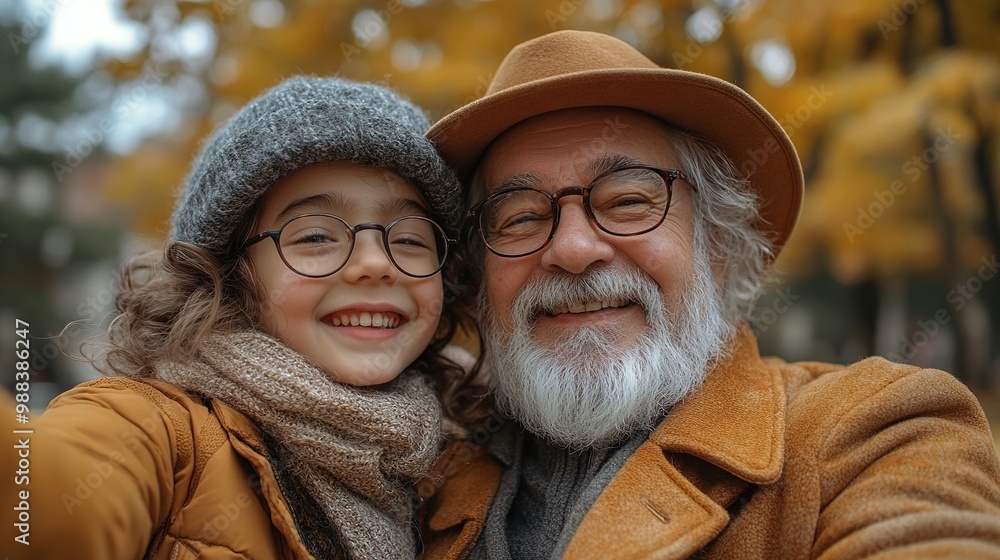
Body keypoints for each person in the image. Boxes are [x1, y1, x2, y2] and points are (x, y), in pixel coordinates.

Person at [417, 30, 1000, 559]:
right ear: (477, 274)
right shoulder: (417, 469)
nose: (572, 248)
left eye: (628, 201)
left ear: (717, 244)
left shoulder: (871, 431)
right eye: (518, 217)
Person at [16, 76, 479, 560]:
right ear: (231, 275)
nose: (375, 263)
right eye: (316, 237)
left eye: (409, 238)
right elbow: (46, 500)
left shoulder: (471, 459)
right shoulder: (162, 434)